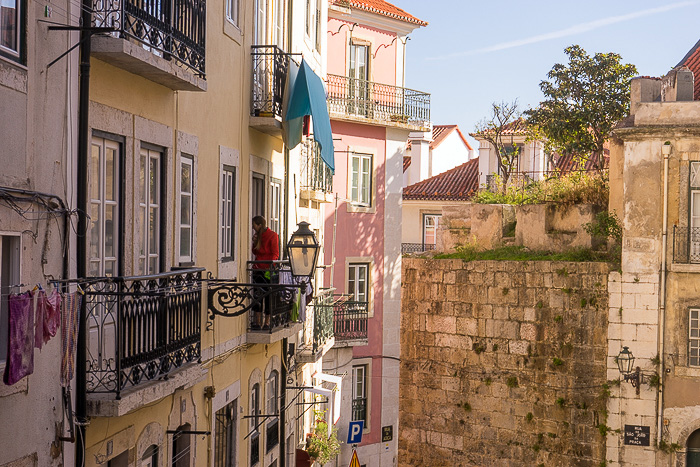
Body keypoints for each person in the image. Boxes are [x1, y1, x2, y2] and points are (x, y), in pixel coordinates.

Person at [251, 216, 279, 329]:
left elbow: (275, 254)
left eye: (254, 226)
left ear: (259, 225)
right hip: (259, 269)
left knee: (265, 296)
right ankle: (260, 323)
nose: (253, 228)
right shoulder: (259, 236)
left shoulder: (272, 235)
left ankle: (265, 323)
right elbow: (255, 252)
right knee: (259, 296)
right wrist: (254, 242)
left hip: (265, 270)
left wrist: (270, 266)